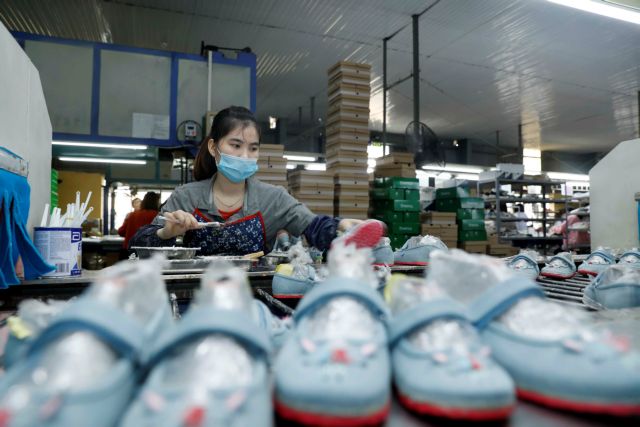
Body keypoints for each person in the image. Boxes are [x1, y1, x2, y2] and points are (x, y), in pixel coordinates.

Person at [130, 106, 384, 255]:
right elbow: (139, 244)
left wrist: (342, 229)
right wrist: (167, 232)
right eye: (236, 145)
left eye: (253, 148)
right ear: (212, 147)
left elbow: (313, 226)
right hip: (195, 299)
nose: (244, 155)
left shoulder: (273, 199)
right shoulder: (186, 197)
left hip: (254, 299)